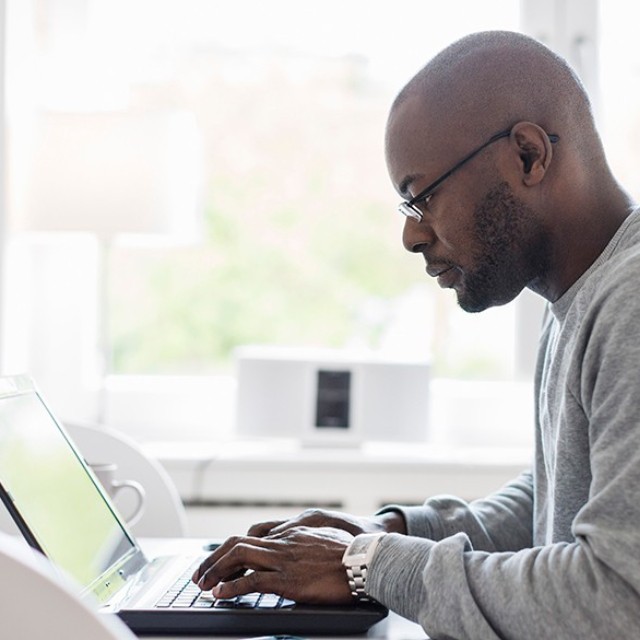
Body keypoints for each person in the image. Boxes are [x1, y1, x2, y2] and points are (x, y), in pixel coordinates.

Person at [192, 30, 640, 639]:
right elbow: (562, 500)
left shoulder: (631, 304)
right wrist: (394, 534)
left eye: (421, 196)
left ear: (529, 156)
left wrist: (369, 568)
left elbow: (617, 597)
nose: (412, 236)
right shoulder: (582, 297)